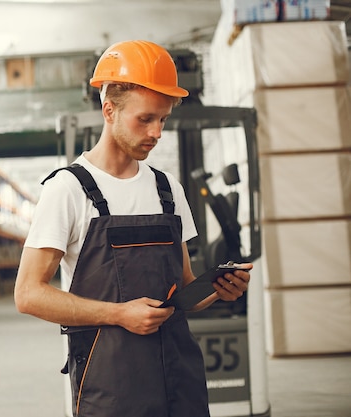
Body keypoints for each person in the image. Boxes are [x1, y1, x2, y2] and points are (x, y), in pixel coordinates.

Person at [14, 40, 252, 417]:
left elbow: (186, 287)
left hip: (180, 380)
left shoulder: (167, 189)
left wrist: (220, 290)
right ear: (109, 110)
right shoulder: (68, 190)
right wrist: (118, 314)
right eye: (145, 119)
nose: (156, 132)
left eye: (163, 119)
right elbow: (28, 294)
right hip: (111, 388)